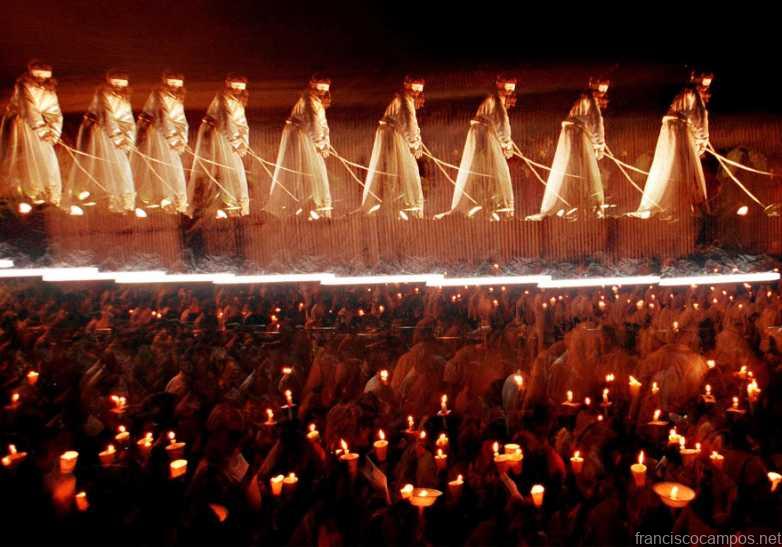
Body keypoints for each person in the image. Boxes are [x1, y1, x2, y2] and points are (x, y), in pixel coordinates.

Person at [629, 72, 712, 219]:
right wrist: (701, 140)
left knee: (669, 165)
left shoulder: (683, 94)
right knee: (682, 166)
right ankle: (680, 204)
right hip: (678, 131)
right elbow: (700, 118)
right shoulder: (693, 94)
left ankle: (673, 204)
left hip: (670, 130)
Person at [528, 79, 608, 220]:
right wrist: (599, 144)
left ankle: (577, 204)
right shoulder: (590, 102)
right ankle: (586, 205)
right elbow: (596, 124)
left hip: (571, 137)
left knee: (574, 170)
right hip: (578, 137)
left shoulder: (582, 101)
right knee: (584, 171)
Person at [64, 70, 137, 213]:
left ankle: (120, 198)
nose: (119, 87)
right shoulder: (104, 94)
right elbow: (107, 116)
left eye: (122, 84)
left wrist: (128, 138)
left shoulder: (124, 97)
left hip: (119, 136)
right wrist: (118, 137)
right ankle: (101, 195)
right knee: (105, 164)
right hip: (104, 133)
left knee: (121, 166)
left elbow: (128, 119)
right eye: (116, 83)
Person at [449, 75, 518, 220]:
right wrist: (506, 144)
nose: (510, 93)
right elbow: (502, 123)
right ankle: (500, 207)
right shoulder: (497, 102)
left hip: (479, 136)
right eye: (509, 89)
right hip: (485, 136)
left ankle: (484, 205)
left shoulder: (491, 101)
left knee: (483, 169)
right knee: (497, 170)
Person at [264, 75, 332, 220]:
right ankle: (301, 208)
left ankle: (319, 209)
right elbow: (313, 123)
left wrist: (326, 143)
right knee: (305, 169)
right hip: (299, 137)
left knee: (316, 169)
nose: (323, 92)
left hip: (308, 136)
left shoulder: (316, 102)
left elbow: (322, 124)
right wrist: (320, 143)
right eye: (320, 88)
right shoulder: (308, 102)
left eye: (325, 89)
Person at [0, 61, 63, 208]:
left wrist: (54, 132)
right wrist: (42, 129)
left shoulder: (49, 90)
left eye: (44, 75)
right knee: (14, 157)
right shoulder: (23, 85)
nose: (41, 78)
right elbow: (28, 108)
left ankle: (49, 195)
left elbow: (55, 112)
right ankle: (6, 193)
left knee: (47, 159)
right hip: (21, 125)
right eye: (38, 74)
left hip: (42, 129)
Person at [361, 76, 425, 219]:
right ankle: (407, 209)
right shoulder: (405, 102)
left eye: (419, 90)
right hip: (393, 138)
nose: (417, 94)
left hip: (390, 136)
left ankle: (393, 208)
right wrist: (414, 144)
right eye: (415, 89)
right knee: (402, 171)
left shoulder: (402, 101)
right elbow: (410, 124)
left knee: (391, 170)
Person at [187, 74, 250, 217]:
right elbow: (226, 121)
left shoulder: (238, 102)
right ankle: (210, 204)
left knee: (235, 169)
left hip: (229, 137)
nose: (238, 89)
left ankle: (233, 204)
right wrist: (236, 142)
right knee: (217, 169)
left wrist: (243, 143)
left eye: (241, 87)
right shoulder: (222, 100)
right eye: (235, 86)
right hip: (217, 135)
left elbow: (241, 123)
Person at [132, 72, 189, 214]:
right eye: (172, 82)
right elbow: (161, 116)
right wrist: (174, 137)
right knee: (159, 164)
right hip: (158, 134)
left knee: (173, 166)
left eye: (177, 83)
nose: (175, 86)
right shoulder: (159, 96)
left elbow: (180, 119)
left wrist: (182, 138)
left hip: (172, 136)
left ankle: (171, 197)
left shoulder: (177, 98)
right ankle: (159, 196)